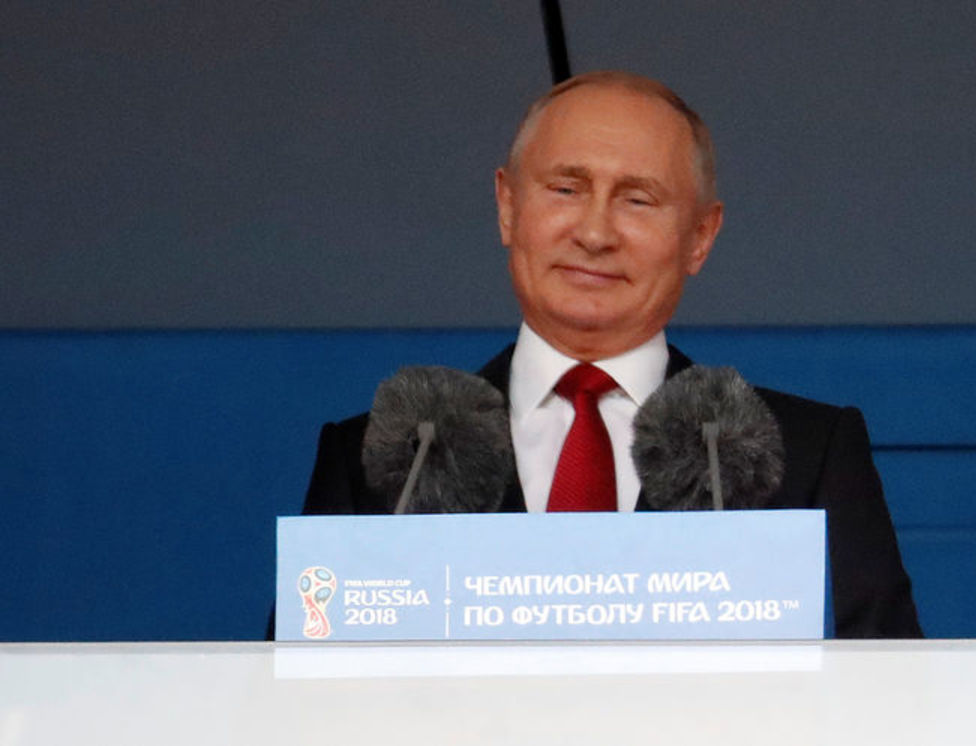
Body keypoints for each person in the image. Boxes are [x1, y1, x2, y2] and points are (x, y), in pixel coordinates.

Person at [302, 71, 922, 638]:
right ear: (508, 207)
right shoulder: (387, 461)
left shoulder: (808, 456)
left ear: (700, 236)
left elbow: (887, 698)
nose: (595, 234)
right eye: (566, 188)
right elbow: (296, 699)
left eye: (638, 199)